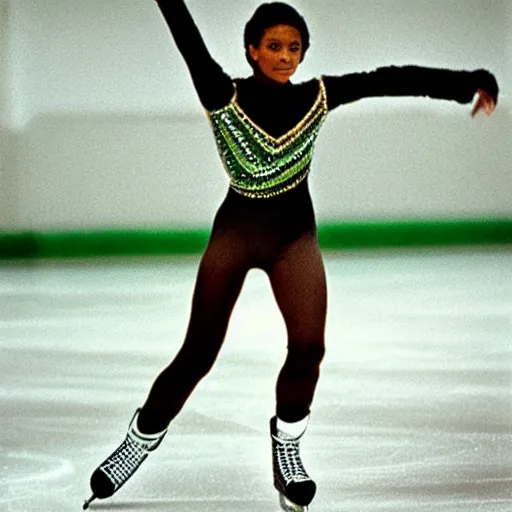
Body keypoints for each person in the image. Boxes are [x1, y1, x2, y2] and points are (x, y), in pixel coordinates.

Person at [84, 0, 498, 510]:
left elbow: (388, 78)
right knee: (198, 354)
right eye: (273, 46)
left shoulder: (316, 97)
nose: (284, 56)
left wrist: (467, 83)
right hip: (235, 236)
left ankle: (287, 447)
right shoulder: (221, 94)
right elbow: (185, 35)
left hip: (293, 239)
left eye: (293, 47)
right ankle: (139, 440)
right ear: (252, 51)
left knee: (309, 348)